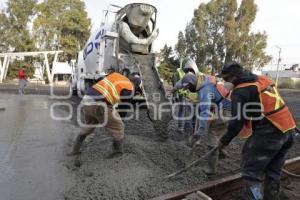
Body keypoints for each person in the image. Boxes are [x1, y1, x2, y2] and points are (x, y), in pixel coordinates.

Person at [217, 61, 296, 200]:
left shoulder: (240, 91)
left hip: (271, 133)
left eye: (225, 79)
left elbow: (236, 122)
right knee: (273, 172)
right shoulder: (260, 80)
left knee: (250, 172)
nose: (224, 82)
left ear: (234, 77)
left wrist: (224, 141)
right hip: (288, 130)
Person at [69, 72, 141, 157]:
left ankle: (75, 150)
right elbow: (124, 107)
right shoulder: (130, 87)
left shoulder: (116, 76)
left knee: (89, 126)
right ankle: (118, 153)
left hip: (86, 101)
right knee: (118, 127)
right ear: (136, 85)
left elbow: (102, 84)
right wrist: (120, 120)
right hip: (99, 104)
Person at [178, 71, 231, 174]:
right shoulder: (204, 79)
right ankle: (222, 151)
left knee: (213, 134)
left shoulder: (204, 90)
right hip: (227, 105)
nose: (188, 90)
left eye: (188, 87)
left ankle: (211, 169)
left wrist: (199, 132)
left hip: (226, 109)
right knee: (219, 131)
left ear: (192, 84)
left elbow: (204, 112)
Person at [172, 59, 199, 134]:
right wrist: (172, 92)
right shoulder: (188, 76)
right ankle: (188, 134)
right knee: (189, 117)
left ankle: (192, 134)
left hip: (194, 99)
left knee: (193, 117)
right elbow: (178, 84)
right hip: (188, 98)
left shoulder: (200, 78)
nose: (187, 72)